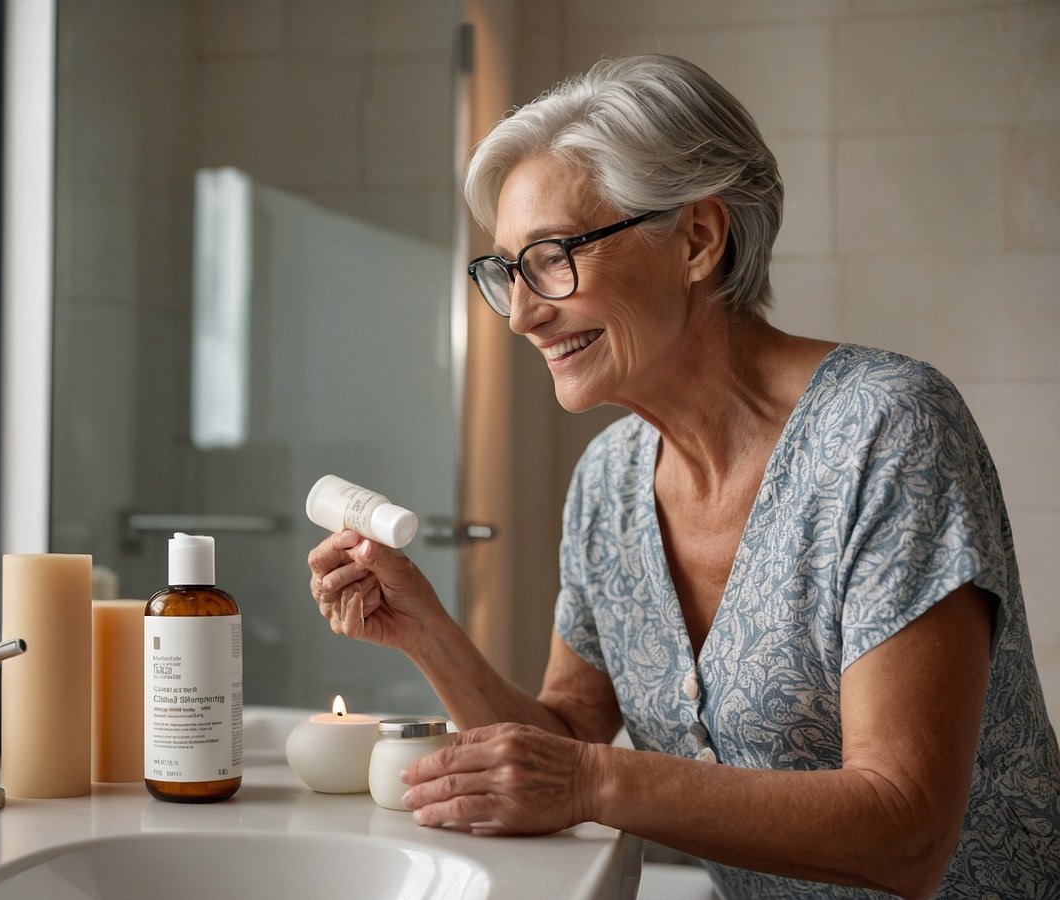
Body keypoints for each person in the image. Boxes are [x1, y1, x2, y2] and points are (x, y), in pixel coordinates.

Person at [306, 55, 1060, 898]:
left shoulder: (886, 431)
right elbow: (563, 736)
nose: (522, 314)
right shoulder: (609, 482)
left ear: (698, 238)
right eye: (507, 271)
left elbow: (906, 829)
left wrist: (598, 782)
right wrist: (425, 632)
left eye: (553, 257)